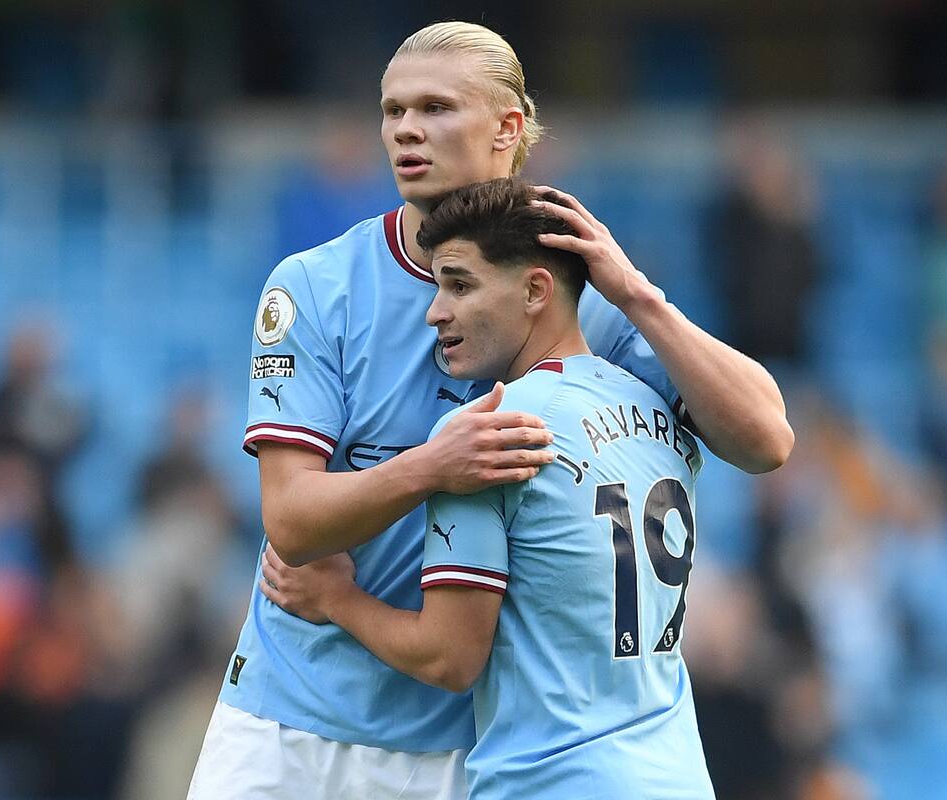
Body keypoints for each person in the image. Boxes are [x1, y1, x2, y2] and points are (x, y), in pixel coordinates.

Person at [188, 20, 791, 800]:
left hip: (459, 741)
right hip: (288, 721)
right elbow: (292, 521)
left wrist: (640, 294)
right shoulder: (316, 286)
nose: (406, 129)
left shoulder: (580, 303)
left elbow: (766, 439)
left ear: (509, 127)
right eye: (392, 109)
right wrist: (431, 467)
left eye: (436, 108)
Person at [262, 177, 716, 799]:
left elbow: (449, 658)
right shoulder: (657, 406)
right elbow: (768, 436)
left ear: (535, 291)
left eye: (459, 284)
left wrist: (336, 600)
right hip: (677, 774)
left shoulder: (487, 436)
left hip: (554, 779)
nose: (434, 311)